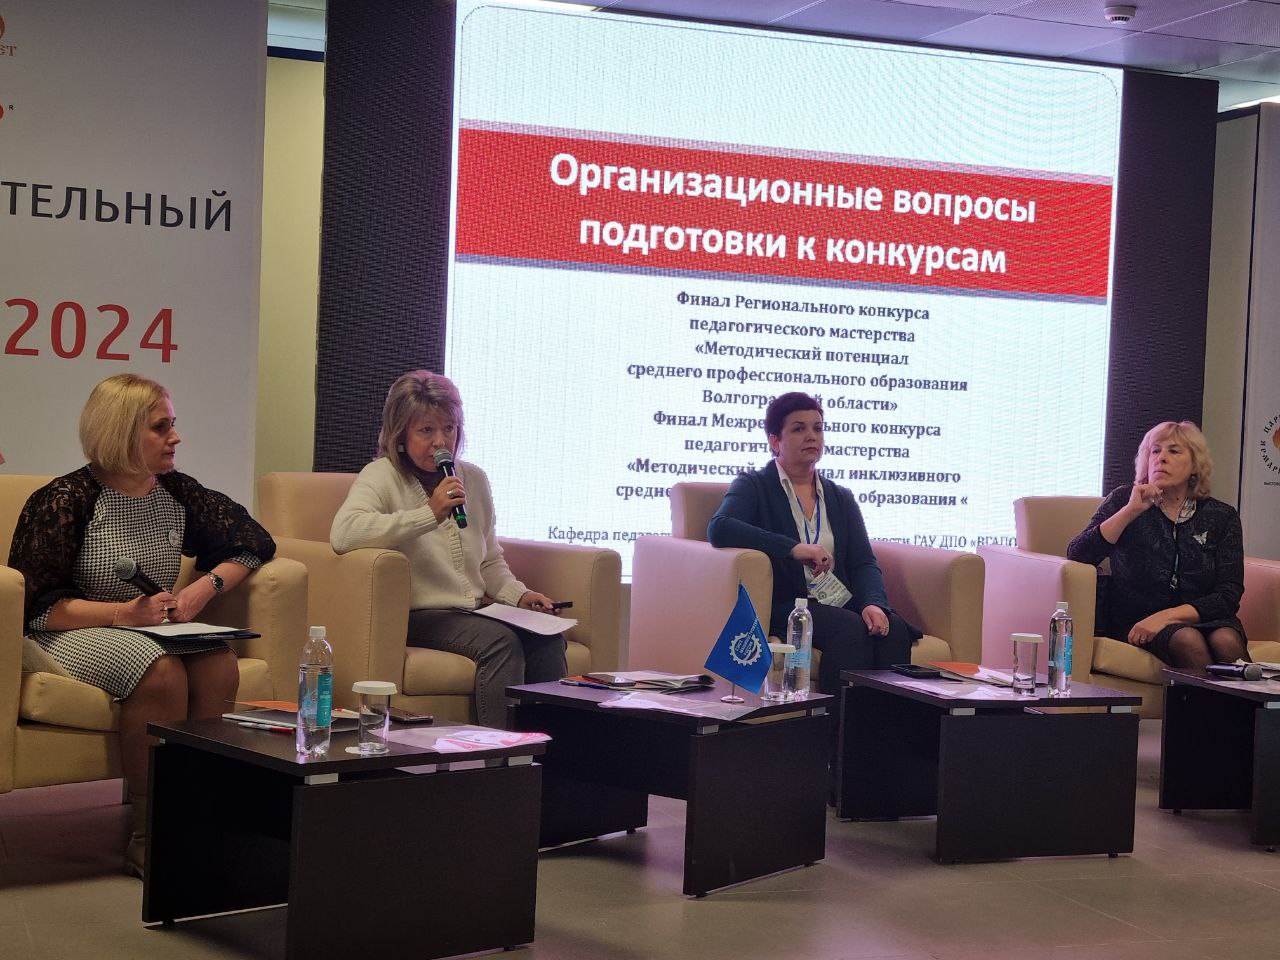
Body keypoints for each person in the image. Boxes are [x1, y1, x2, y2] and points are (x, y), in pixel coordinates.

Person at [8, 374, 275, 877]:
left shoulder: (178, 491)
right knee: (159, 671)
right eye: (161, 427)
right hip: (67, 632)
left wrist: (202, 589)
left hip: (150, 627)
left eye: (173, 424)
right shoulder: (65, 498)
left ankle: (200, 818)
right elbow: (34, 605)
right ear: (121, 432)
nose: (176, 437)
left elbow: (253, 541)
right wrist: (122, 615)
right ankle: (150, 835)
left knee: (219, 664)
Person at [330, 371, 566, 729]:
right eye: (426, 430)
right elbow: (344, 534)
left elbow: (489, 560)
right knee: (501, 643)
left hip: (473, 611)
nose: (441, 441)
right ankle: (495, 756)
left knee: (547, 638)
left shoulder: (474, 478)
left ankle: (550, 755)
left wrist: (520, 596)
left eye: (449, 429)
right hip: (420, 614)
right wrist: (429, 514)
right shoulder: (381, 475)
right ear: (400, 435)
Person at [708, 392, 920, 697]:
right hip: (787, 603)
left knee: (892, 629)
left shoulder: (840, 497)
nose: (811, 436)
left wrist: (872, 602)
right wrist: (792, 548)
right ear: (775, 441)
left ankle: (884, 727)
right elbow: (720, 528)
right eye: (799, 428)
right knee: (848, 630)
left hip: (837, 601)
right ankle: (835, 724)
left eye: (818, 428)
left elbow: (863, 562)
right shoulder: (754, 485)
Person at [1067, 420, 1247, 669]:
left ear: (1195, 465)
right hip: (1137, 619)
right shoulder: (1123, 500)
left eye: (1173, 451)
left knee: (1226, 640)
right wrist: (1130, 512)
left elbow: (1228, 593)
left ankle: (1249, 697)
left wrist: (1167, 617)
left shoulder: (1221, 516)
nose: (1161, 458)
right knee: (1187, 639)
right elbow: (1078, 554)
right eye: (1155, 451)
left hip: (1202, 617)